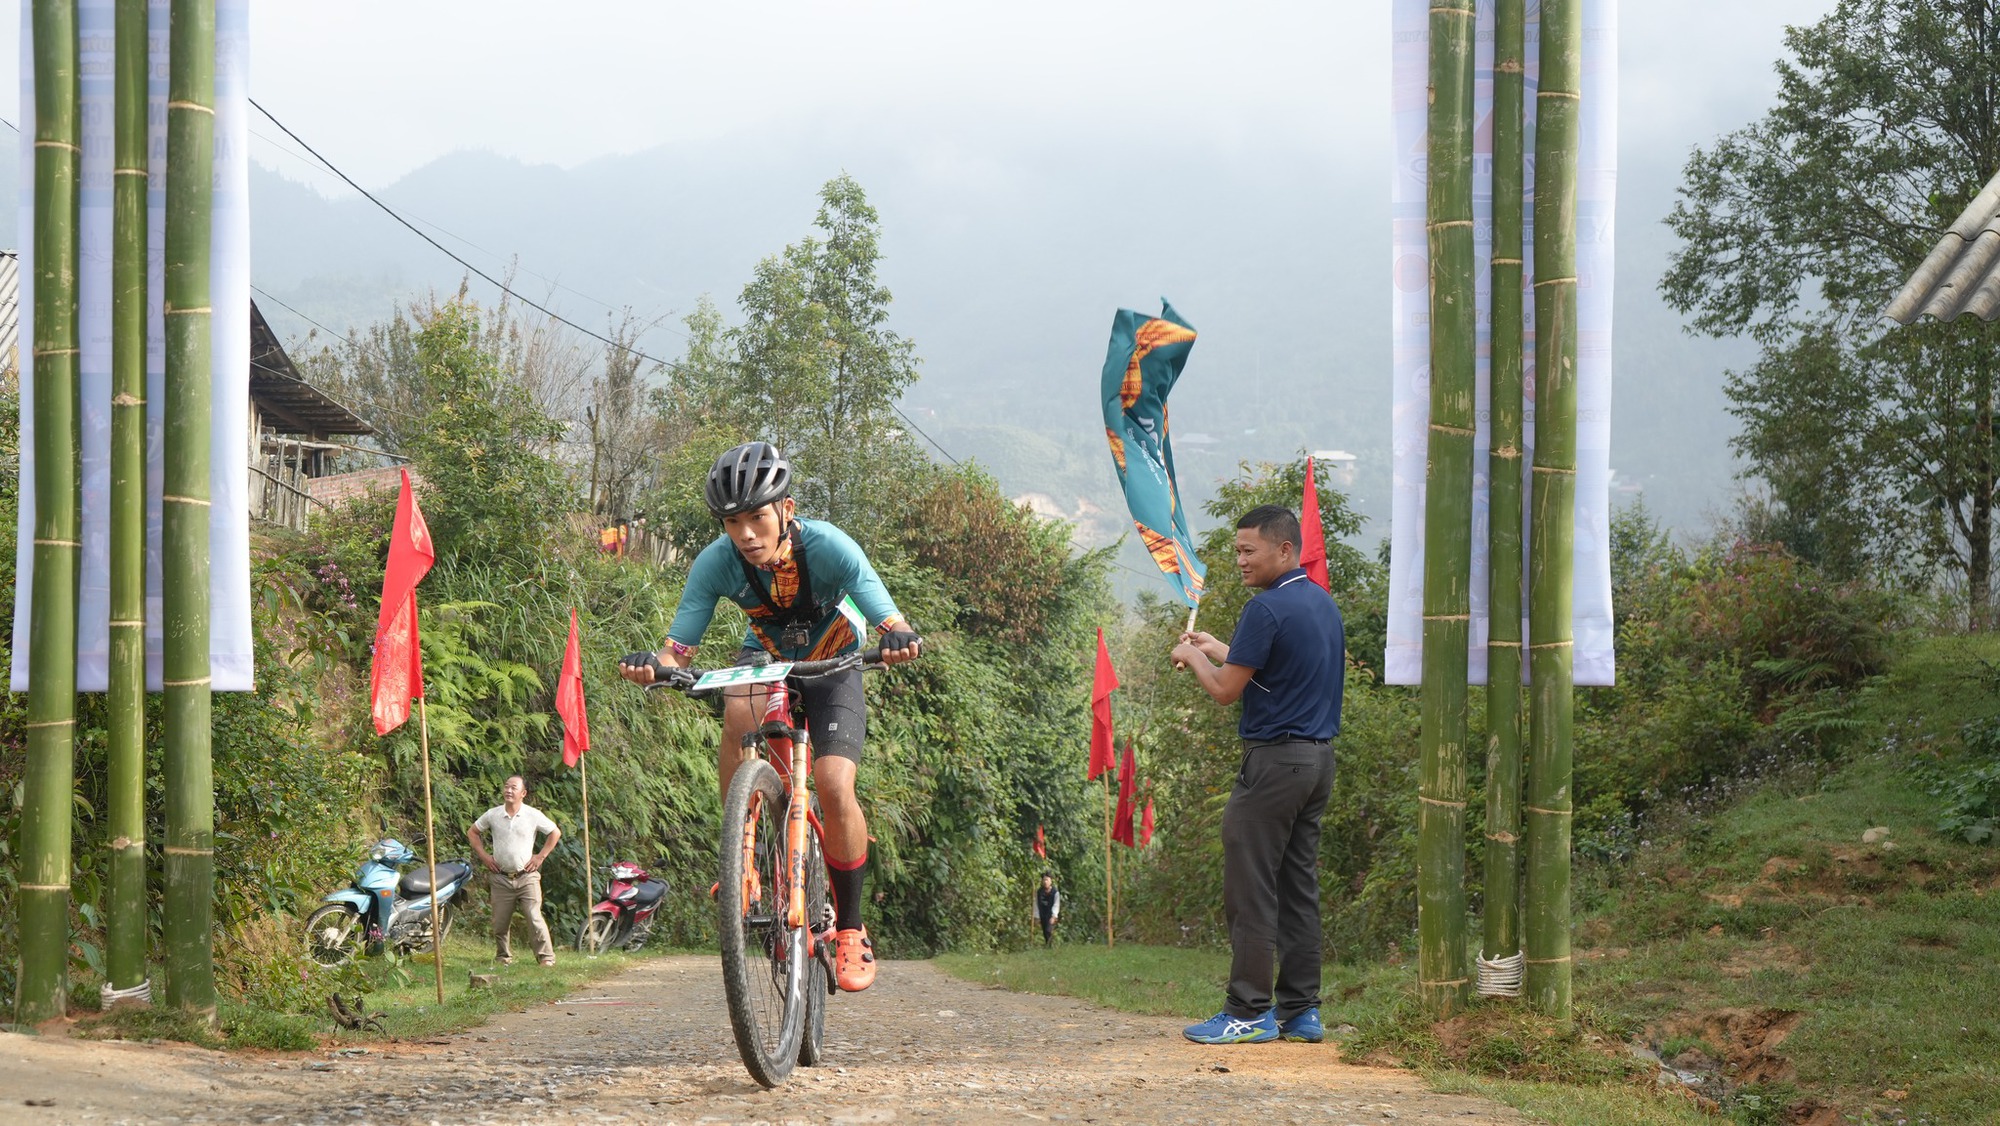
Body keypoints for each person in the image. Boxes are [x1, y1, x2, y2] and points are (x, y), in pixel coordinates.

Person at [618, 441, 922, 992]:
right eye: (733, 522)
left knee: (832, 784)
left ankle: (851, 926)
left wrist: (898, 637)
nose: (746, 535)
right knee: (738, 705)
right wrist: (654, 664)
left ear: (786, 508)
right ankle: (743, 854)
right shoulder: (715, 563)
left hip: (835, 658)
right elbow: (678, 648)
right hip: (767, 661)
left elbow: (887, 617)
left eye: (757, 517)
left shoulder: (830, 547)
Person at [1169, 504, 1344, 1045]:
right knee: (1297, 886)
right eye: (1237, 550)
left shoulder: (1264, 609)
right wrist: (1218, 649)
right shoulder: (1320, 603)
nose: (1240, 560)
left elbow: (1225, 691)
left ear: (1284, 549)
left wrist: (1190, 656)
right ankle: (1302, 1011)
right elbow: (1277, 671)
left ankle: (1247, 1009)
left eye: (1249, 550)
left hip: (1272, 765)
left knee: (1251, 889)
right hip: (1317, 763)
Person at [466, 775, 563, 967]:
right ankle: (503, 957)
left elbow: (554, 832)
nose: (509, 790)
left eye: (514, 788)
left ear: (523, 793)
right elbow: (472, 832)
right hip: (500, 877)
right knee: (500, 922)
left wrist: (540, 856)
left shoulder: (532, 815)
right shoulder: (493, 814)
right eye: (506, 786)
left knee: (534, 917)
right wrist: (484, 856)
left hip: (527, 877)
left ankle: (546, 958)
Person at [1033, 873, 1062, 947]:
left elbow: (1056, 904)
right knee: (1045, 932)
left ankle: (1050, 945)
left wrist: (1054, 916)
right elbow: (1036, 904)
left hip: (1050, 914)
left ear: (1050, 881)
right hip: (1042, 914)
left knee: (1048, 930)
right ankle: (1048, 946)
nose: (1045, 882)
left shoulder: (1055, 892)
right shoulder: (1039, 892)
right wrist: (1036, 916)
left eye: (1047, 880)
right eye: (1044, 880)